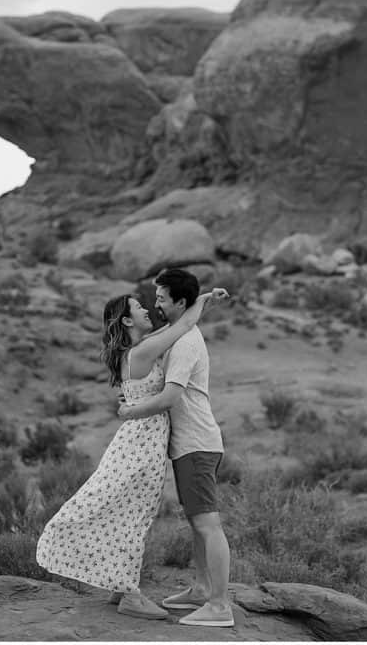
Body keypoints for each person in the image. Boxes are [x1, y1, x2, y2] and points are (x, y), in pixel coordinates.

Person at [36, 286, 228, 620]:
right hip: (141, 444)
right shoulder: (140, 353)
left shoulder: (139, 348)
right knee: (133, 517)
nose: (146, 309)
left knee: (129, 514)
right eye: (139, 307)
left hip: (142, 442)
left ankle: (120, 587)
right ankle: (131, 595)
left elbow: (178, 326)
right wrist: (201, 301)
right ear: (127, 319)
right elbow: (181, 327)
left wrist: (202, 303)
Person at [117, 268, 234, 628]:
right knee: (197, 522)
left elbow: (170, 397)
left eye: (163, 298)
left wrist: (129, 411)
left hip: (196, 444)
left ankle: (220, 605)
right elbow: (177, 325)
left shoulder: (183, 343)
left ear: (178, 302)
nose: (157, 304)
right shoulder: (177, 334)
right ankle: (202, 589)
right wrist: (202, 301)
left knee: (207, 523)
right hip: (190, 445)